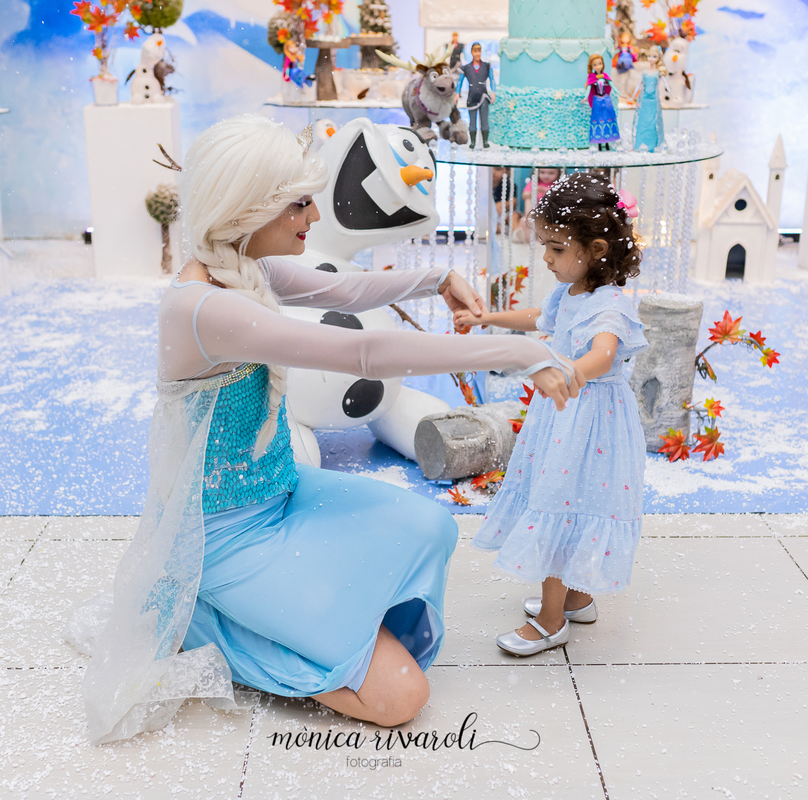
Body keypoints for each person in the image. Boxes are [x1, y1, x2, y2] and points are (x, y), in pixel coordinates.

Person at [67, 115, 585, 744]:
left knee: (431, 525)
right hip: (221, 539)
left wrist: (436, 276)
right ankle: (204, 621)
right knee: (401, 699)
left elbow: (343, 287)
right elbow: (361, 357)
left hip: (281, 492)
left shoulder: (243, 267)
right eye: (297, 204)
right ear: (245, 211)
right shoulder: (203, 306)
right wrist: (514, 352)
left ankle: (287, 620)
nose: (313, 217)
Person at [453, 172, 648, 657]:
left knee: (563, 501)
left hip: (588, 415)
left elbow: (604, 353)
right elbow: (539, 318)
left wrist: (570, 372)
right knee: (561, 493)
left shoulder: (613, 304)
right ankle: (578, 596)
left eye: (557, 248)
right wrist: (486, 319)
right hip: (563, 414)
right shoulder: (571, 292)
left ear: (596, 248)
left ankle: (551, 619)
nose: (546, 257)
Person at [457, 43, 494, 148]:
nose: (477, 54)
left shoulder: (486, 66)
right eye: (475, 51)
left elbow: (492, 80)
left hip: (484, 96)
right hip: (472, 96)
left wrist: (493, 92)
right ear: (472, 52)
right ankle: (472, 142)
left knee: (484, 120)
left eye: (479, 51)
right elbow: (460, 82)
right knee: (472, 121)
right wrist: (456, 94)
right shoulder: (466, 68)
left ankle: (485, 142)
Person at [583, 54, 620, 151]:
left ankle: (607, 143)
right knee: (598, 121)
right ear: (592, 66)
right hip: (597, 102)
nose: (598, 66)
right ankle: (599, 144)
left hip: (606, 100)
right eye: (595, 65)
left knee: (607, 120)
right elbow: (589, 88)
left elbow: (613, 85)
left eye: (600, 63)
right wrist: (585, 97)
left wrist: (619, 93)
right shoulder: (591, 77)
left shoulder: (605, 76)